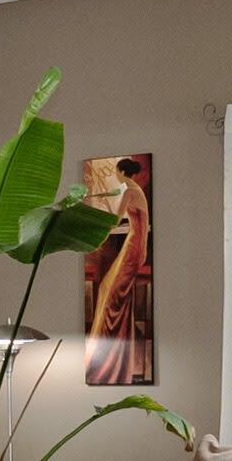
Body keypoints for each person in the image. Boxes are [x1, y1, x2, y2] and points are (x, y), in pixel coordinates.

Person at [83, 156, 152, 385]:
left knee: (110, 293)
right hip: (135, 244)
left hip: (133, 246)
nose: (116, 176)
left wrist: (93, 220)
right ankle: (112, 359)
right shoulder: (137, 191)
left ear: (123, 172)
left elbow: (114, 220)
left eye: (116, 172)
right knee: (110, 292)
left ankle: (107, 361)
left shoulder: (129, 192)